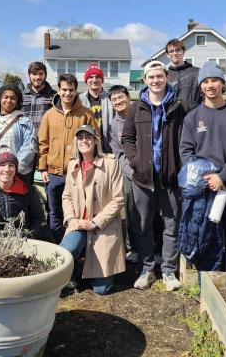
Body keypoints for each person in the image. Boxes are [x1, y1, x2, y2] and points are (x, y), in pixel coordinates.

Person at [179, 62, 226, 272]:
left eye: (214, 80)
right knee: (204, 228)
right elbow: (186, 151)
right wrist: (204, 176)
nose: (210, 85)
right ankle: (206, 274)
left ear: (222, 83)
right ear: (200, 86)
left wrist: (223, 176)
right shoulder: (193, 117)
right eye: (205, 81)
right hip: (202, 186)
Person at [121, 61, 186, 291]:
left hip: (170, 178)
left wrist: (180, 166)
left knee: (171, 224)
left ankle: (168, 270)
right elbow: (127, 138)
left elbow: (186, 140)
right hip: (143, 178)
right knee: (143, 225)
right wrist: (136, 161)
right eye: (151, 77)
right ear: (145, 80)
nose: (156, 80)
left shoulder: (179, 106)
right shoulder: (136, 107)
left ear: (166, 77)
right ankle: (147, 268)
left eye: (160, 76)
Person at [61, 125, 125, 295]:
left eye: (88, 137)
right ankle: (73, 274)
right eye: (80, 138)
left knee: (101, 290)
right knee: (65, 252)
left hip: (102, 227)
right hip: (79, 224)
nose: (84, 141)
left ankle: (100, 269)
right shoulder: (72, 165)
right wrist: (71, 220)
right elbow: (66, 196)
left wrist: (95, 222)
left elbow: (118, 199)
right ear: (76, 142)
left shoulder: (111, 163)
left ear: (95, 141)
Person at [38, 74, 98, 243]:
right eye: (64, 89)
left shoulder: (85, 114)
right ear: (59, 90)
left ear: (76, 91)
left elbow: (96, 139)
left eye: (71, 90)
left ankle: (76, 248)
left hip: (78, 172)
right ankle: (57, 245)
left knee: (77, 211)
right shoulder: (49, 115)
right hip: (54, 173)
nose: (67, 93)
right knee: (54, 211)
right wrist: (43, 168)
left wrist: (89, 165)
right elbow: (43, 142)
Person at [107, 85, 139, 263]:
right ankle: (132, 247)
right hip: (129, 173)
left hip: (149, 171)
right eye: (114, 100)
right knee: (130, 209)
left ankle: (155, 248)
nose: (119, 102)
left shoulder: (141, 113)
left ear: (128, 97)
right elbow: (118, 153)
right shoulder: (114, 124)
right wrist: (132, 172)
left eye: (121, 97)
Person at [79, 63, 113, 152]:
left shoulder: (111, 98)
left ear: (102, 80)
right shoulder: (79, 100)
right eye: (90, 77)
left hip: (108, 147)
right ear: (86, 80)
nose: (94, 80)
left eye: (97, 77)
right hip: (86, 147)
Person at [165, 39, 201, 112]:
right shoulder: (165, 75)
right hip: (171, 118)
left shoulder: (197, 72)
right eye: (171, 51)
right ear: (167, 55)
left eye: (178, 50)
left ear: (183, 52)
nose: (175, 53)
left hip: (193, 117)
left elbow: (204, 95)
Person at [22, 61, 56, 135]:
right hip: (25, 141)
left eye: (40, 74)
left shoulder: (54, 96)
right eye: (34, 74)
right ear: (29, 75)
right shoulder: (21, 96)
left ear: (45, 75)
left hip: (45, 141)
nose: (37, 77)